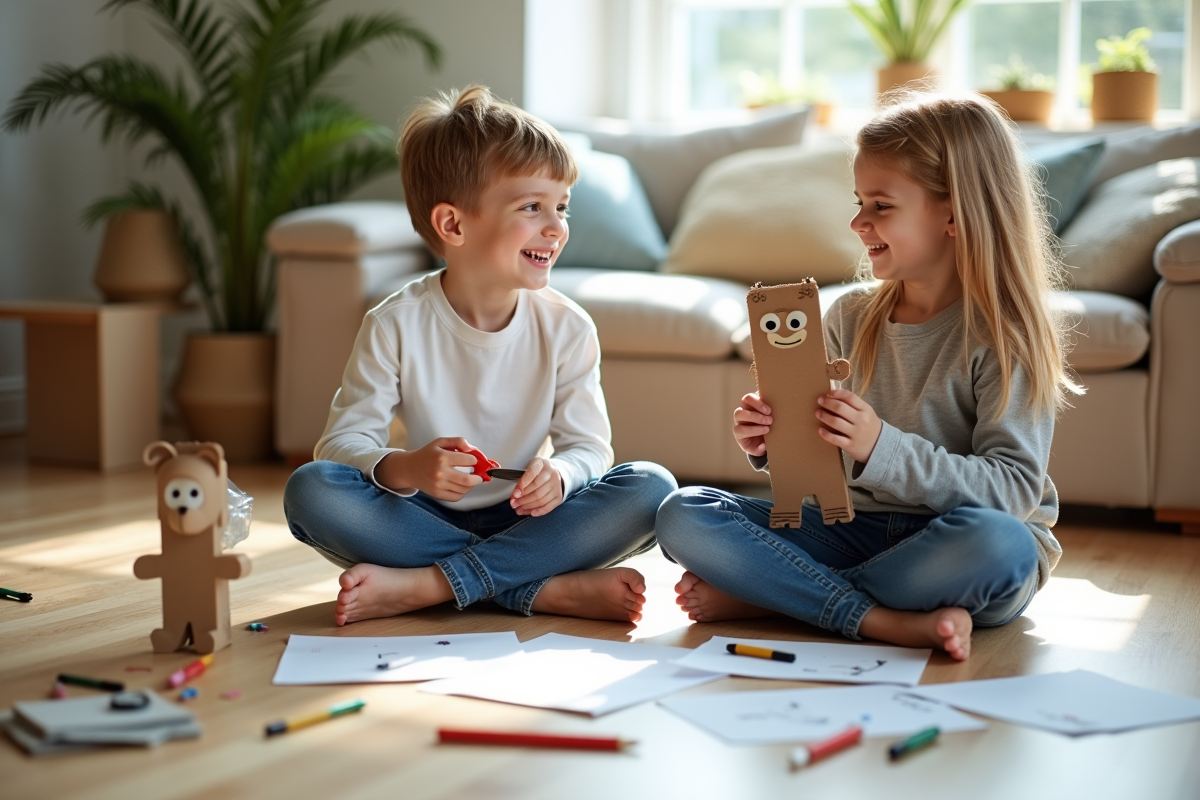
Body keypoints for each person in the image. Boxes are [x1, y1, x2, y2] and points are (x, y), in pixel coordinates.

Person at [655, 92, 1081, 660]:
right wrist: (773, 442)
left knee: (1000, 545)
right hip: (849, 530)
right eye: (859, 202)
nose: (857, 222)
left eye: (880, 205)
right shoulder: (849, 315)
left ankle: (780, 595)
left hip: (951, 544)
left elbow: (1012, 494)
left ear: (954, 213)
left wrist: (879, 446)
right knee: (684, 513)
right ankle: (878, 615)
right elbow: (822, 462)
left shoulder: (1007, 337)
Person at [283, 85, 676, 627]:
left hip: (531, 520)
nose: (557, 227)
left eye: (561, 207)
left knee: (650, 487)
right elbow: (340, 445)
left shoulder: (566, 326)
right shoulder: (394, 322)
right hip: (422, 517)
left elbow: (589, 448)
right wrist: (409, 467)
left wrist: (561, 474)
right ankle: (537, 589)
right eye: (532, 207)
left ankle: (430, 585)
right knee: (311, 491)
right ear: (453, 225)